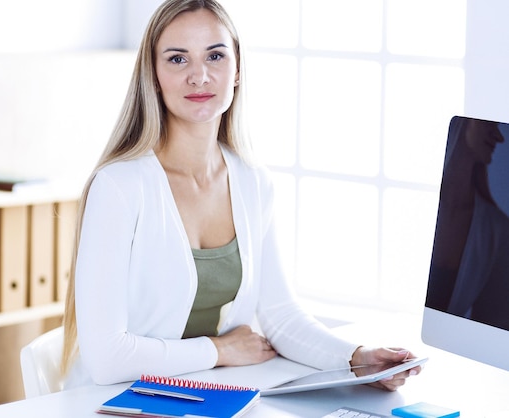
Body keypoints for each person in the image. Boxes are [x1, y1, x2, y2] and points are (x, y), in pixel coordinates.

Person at [61, 0, 421, 391]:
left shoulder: (252, 181)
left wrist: (357, 359)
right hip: (109, 402)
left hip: (203, 397)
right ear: (154, 76)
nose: (199, 76)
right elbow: (107, 359)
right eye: (178, 59)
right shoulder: (119, 187)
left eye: (215, 56)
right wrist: (220, 350)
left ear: (237, 71)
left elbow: (280, 316)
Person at [427, 116, 509, 330]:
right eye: (489, 125)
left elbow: (495, 326)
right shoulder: (411, 204)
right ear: (461, 122)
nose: (499, 136)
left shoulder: (496, 230)